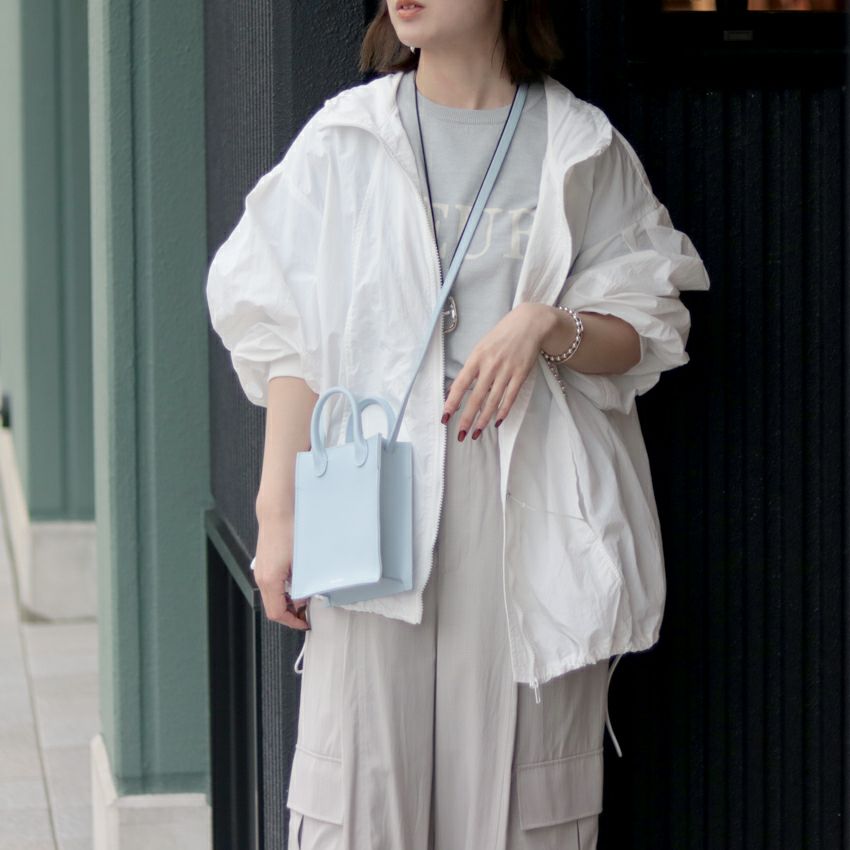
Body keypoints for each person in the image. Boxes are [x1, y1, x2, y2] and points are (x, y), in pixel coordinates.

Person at [205, 1, 711, 847]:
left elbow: (647, 326)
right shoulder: (348, 138)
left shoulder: (579, 146)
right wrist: (277, 512)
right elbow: (285, 330)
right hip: (370, 489)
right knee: (360, 793)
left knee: (516, 802)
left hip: (521, 491)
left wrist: (547, 326)